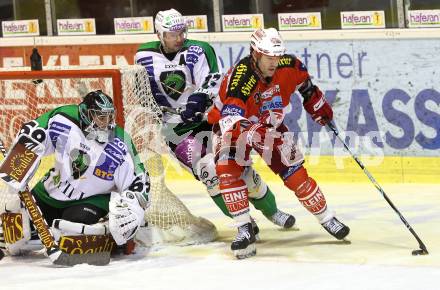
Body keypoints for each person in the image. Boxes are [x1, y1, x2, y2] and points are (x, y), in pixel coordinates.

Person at [135, 8, 294, 233]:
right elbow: (141, 92)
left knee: (239, 169)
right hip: (174, 129)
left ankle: (272, 211)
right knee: (209, 172)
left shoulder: (199, 49)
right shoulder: (142, 56)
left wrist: (197, 101)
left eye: (182, 32)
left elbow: (212, 80)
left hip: (207, 121)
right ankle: (245, 223)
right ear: (159, 34)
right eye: (172, 34)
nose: (179, 38)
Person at [210, 28, 350, 259]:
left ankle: (327, 218)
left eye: (277, 56)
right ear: (255, 54)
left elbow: (306, 86)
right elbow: (230, 118)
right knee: (227, 170)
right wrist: (254, 131)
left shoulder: (289, 65)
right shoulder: (242, 77)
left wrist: (316, 103)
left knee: (295, 172)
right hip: (234, 128)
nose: (274, 62)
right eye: (268, 57)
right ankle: (244, 228)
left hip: (269, 125)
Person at [0, 90, 149, 255]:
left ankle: (99, 230)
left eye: (109, 117)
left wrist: (134, 205)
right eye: (100, 117)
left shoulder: (120, 142)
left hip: (91, 200)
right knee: (15, 226)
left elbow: (138, 178)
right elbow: (35, 131)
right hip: (52, 190)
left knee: (73, 235)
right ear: (86, 113)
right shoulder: (64, 119)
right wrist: (20, 155)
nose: (106, 123)